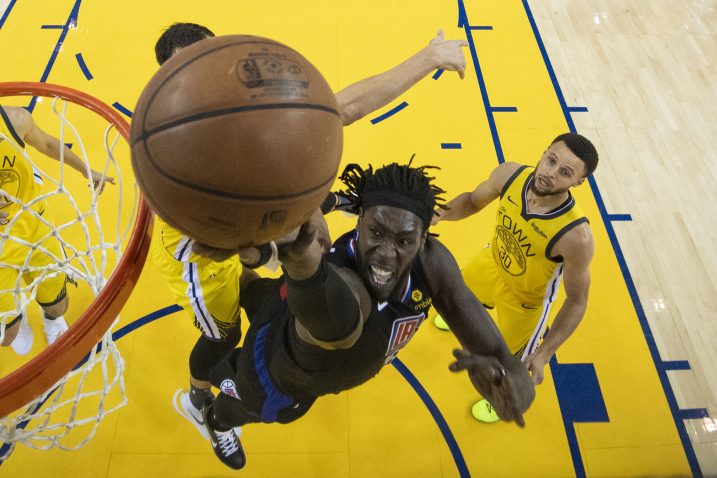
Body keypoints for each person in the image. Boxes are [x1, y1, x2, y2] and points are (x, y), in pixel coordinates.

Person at [152, 22, 473, 439]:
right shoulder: (182, 148)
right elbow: (241, 231)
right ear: (171, 82)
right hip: (197, 258)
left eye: (213, 58)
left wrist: (429, 57)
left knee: (274, 284)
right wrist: (296, 227)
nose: (210, 74)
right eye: (192, 69)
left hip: (241, 233)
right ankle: (197, 401)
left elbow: (342, 109)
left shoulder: (243, 100)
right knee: (223, 334)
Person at [191, 161, 535, 469]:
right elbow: (339, 321)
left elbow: (503, 359)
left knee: (256, 293)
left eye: (404, 241)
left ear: (423, 237)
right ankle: (216, 420)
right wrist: (301, 263)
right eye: (377, 233)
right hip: (276, 376)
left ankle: (233, 285)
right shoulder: (346, 281)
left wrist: (514, 391)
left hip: (285, 307)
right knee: (244, 408)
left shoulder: (433, 262)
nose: (386, 254)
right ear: (360, 221)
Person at [431, 132, 598, 423]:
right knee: (455, 300)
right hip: (491, 263)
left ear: (578, 183)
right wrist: (440, 213)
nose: (550, 173)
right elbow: (472, 201)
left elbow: (577, 301)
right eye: (551, 160)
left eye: (565, 172)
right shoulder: (510, 175)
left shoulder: (576, 237)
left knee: (504, 368)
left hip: (525, 302)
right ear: (544, 151)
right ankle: (468, 313)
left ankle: (500, 403)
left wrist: (545, 353)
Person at [0, 104, 114, 354]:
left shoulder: (14, 120)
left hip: (33, 223)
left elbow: (49, 144)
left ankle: (50, 320)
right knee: (8, 336)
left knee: (57, 304)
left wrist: (87, 170)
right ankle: (17, 313)